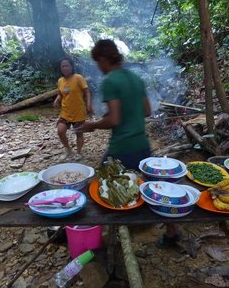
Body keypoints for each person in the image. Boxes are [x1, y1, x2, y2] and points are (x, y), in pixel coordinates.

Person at [77, 39, 179, 247]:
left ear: (105, 59)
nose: (98, 67)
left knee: (102, 188)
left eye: (98, 62)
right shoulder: (135, 78)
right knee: (154, 189)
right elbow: (148, 111)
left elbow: (114, 120)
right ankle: (171, 232)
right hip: (142, 144)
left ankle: (105, 236)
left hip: (121, 147)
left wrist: (92, 125)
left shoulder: (111, 81)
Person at [54, 57, 92, 160]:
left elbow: (87, 91)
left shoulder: (78, 77)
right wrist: (57, 99)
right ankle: (68, 150)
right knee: (60, 131)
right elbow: (60, 94)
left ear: (71, 66)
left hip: (78, 111)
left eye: (67, 66)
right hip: (65, 112)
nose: (65, 68)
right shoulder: (60, 80)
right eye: (63, 66)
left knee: (78, 133)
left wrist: (88, 104)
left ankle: (79, 153)